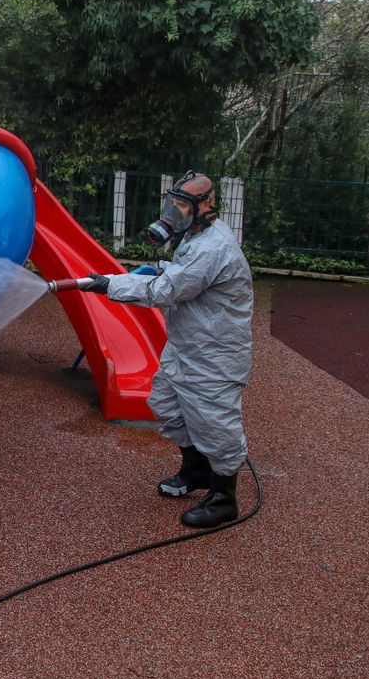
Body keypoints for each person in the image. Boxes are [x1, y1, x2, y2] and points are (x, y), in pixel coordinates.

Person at [82, 171, 254, 528]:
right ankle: (196, 470)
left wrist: (109, 285)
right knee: (167, 404)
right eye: (172, 204)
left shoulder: (213, 247)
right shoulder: (195, 235)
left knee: (215, 422)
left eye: (182, 205)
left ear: (206, 205)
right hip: (188, 344)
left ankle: (224, 498)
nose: (174, 213)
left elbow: (165, 292)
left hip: (214, 353)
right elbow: (179, 274)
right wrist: (158, 269)